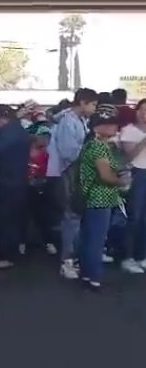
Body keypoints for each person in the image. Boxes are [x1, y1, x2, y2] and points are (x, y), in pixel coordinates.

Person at [46, 88, 98, 279]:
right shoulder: (69, 122)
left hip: (75, 174)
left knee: (74, 217)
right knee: (71, 217)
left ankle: (72, 256)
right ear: (83, 103)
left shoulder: (78, 120)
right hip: (69, 174)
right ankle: (66, 260)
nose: (94, 109)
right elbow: (69, 153)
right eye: (93, 104)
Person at [78, 106, 129, 290]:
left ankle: (86, 275)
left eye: (114, 124)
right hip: (100, 198)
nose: (114, 127)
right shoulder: (99, 147)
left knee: (89, 238)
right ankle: (94, 278)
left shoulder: (97, 145)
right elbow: (105, 175)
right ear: (96, 128)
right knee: (96, 240)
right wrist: (121, 182)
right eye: (108, 124)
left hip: (93, 198)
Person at [0, 104, 31, 269]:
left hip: (8, 180)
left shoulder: (7, 133)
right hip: (17, 179)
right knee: (12, 218)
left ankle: (6, 255)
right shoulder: (19, 130)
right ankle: (6, 251)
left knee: (5, 219)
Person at [117, 98, 146, 273]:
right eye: (142, 110)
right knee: (134, 216)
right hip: (137, 173)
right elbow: (128, 156)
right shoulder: (128, 131)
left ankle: (141, 255)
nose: (144, 114)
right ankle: (127, 257)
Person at [25, 123, 57, 257]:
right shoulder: (25, 152)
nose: (45, 140)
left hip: (43, 187)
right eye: (42, 137)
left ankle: (48, 241)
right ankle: (23, 242)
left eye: (47, 138)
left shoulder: (48, 154)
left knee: (43, 216)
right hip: (26, 187)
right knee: (25, 215)